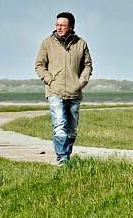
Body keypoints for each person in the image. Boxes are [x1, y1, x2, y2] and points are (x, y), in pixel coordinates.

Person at [34, 11, 93, 166]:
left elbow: (87, 65)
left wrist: (82, 81)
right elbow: (39, 65)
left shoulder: (81, 44)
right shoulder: (47, 43)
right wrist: (50, 80)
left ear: (71, 26)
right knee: (59, 125)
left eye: (62, 25)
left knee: (72, 129)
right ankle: (63, 160)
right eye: (57, 24)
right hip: (55, 91)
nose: (59, 27)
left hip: (75, 92)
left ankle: (66, 154)